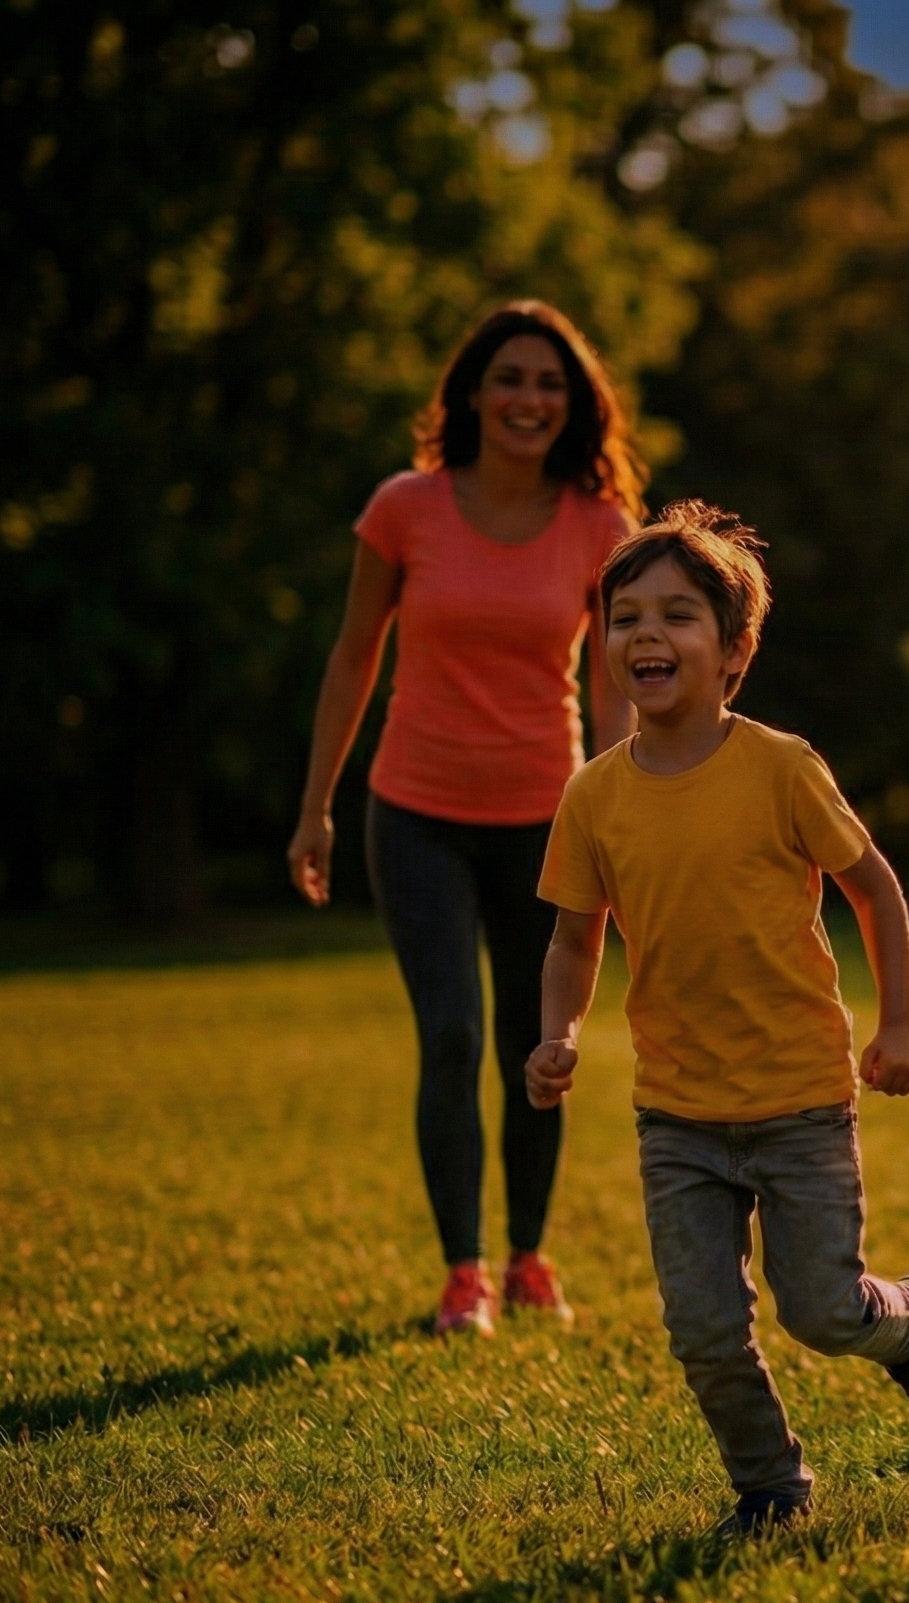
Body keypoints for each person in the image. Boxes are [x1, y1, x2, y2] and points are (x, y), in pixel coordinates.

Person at [525, 501, 909, 1536]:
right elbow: (570, 939)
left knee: (821, 1311)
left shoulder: (779, 766)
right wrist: (559, 1035)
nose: (646, 635)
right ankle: (770, 1484)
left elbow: (871, 884)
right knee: (702, 1329)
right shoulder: (593, 796)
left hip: (798, 1101)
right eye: (625, 615)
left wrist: (899, 1024)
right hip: (677, 1114)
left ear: (733, 651)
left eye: (677, 615)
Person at [287, 301, 640, 1337]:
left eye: (549, 383)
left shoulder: (597, 523)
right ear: (472, 394)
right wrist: (315, 807)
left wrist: (624, 808)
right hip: (417, 812)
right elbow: (355, 656)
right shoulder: (405, 507)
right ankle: (464, 1273)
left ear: (572, 406)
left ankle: (530, 1253)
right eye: (510, 378)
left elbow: (617, 681)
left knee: (542, 1045)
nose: (529, 398)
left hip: (549, 817)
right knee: (449, 1034)